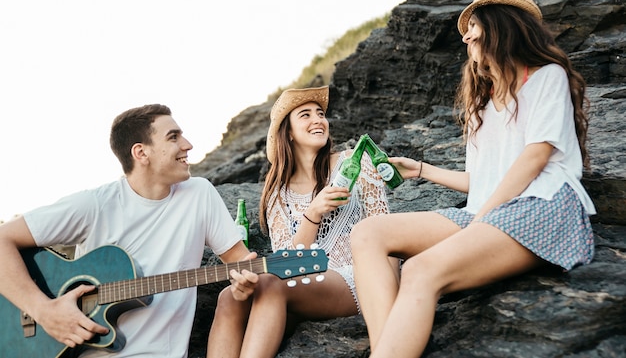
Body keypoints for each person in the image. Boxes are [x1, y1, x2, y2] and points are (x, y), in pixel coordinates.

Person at [350, 0, 596, 358]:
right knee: (368, 233)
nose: (465, 37)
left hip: (540, 207)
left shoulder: (548, 77)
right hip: (485, 213)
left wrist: (482, 220)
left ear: (501, 28)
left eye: (474, 27)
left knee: (419, 270)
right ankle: (389, 348)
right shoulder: (482, 104)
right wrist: (420, 170)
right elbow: (481, 183)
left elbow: (534, 159)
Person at [0, 104, 258, 357]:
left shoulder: (199, 194)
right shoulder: (95, 205)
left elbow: (241, 263)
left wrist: (244, 287)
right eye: (173, 137)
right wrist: (43, 311)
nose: (187, 144)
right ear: (141, 153)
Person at [206, 86, 396, 358]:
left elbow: (386, 232)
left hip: (359, 277)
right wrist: (313, 214)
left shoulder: (355, 162)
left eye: (320, 114)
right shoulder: (277, 194)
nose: (318, 120)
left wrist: (389, 296)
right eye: (305, 115)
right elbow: (288, 261)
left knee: (270, 283)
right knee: (230, 297)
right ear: (289, 133)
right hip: (306, 283)